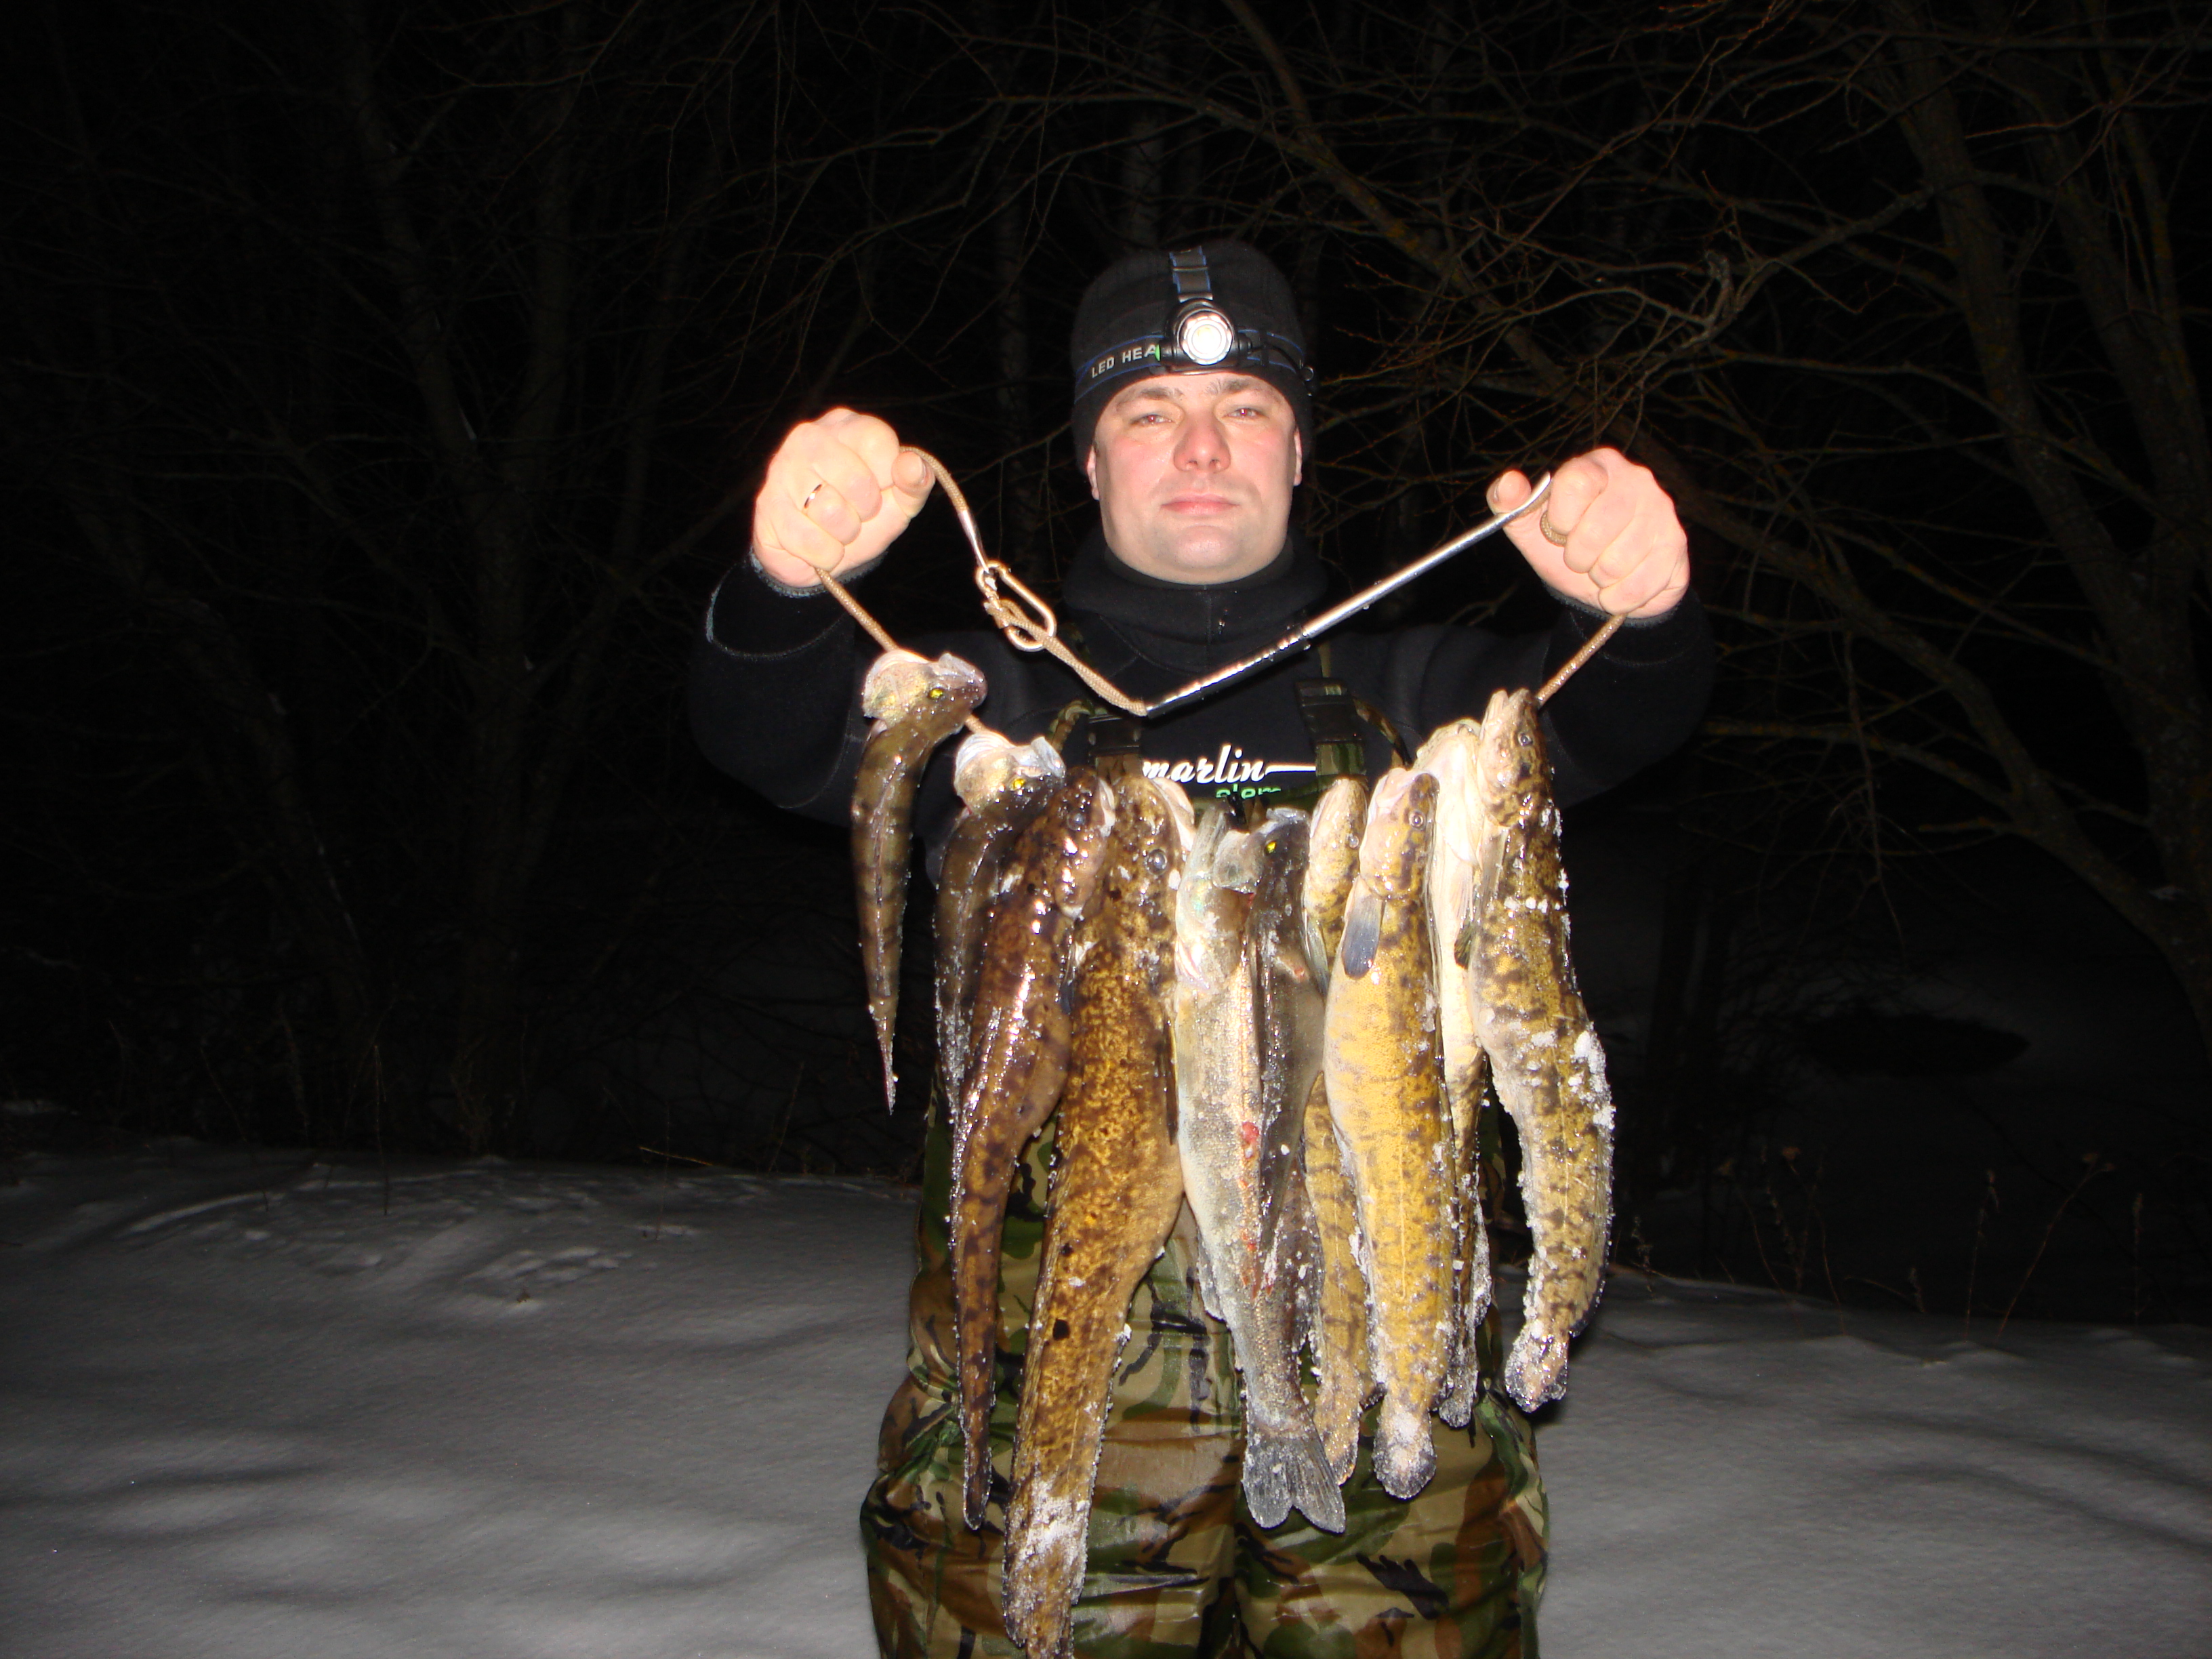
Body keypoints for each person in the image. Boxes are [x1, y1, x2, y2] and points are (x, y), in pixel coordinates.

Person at [690, 241, 1711, 1658]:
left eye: (1245, 406)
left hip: (1392, 1417)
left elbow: (1621, 708)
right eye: (1148, 409)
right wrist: (783, 587)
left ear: (1298, 450)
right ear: (1089, 460)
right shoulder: (991, 700)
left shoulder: (1426, 697)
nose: (1202, 445)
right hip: (1052, 1404)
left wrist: (1638, 606)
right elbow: (767, 728)